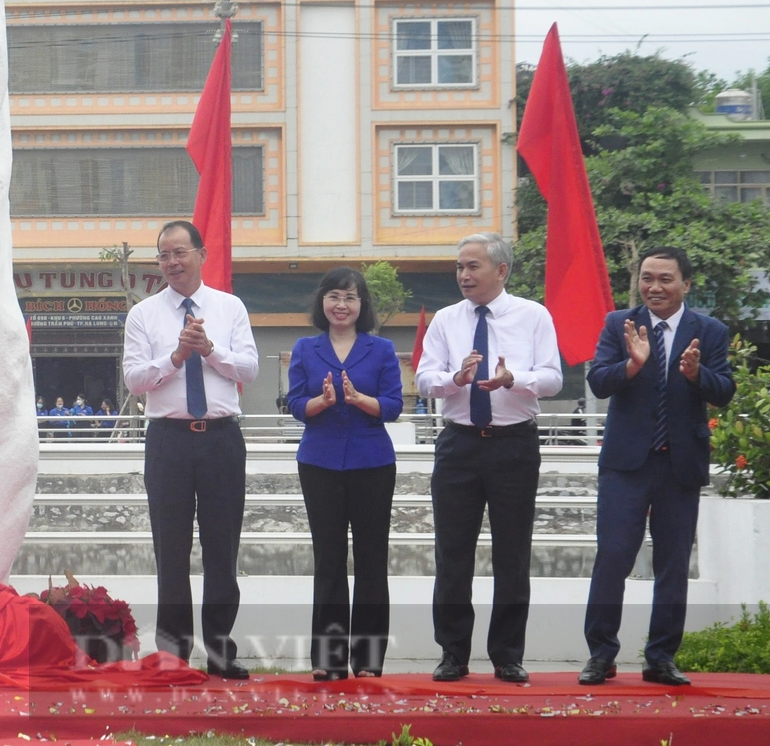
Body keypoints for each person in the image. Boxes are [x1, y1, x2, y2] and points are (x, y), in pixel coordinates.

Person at [581, 249, 734, 687]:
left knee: (672, 564)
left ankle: (661, 657)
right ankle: (601, 655)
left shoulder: (710, 330)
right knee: (612, 559)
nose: (654, 287)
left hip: (679, 463)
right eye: (647, 278)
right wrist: (632, 364)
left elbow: (724, 390)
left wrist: (695, 374)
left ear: (686, 283)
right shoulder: (620, 324)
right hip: (626, 464)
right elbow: (598, 380)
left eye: (665, 279)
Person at [414, 231, 562, 684]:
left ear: (500, 270)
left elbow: (554, 379)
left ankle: (507, 655)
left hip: (514, 444)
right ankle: (453, 653)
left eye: (473, 266)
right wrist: (455, 379)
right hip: (459, 444)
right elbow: (423, 378)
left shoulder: (533, 316)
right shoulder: (445, 319)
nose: (463, 275)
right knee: (452, 553)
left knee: (512, 554)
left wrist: (514, 379)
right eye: (459, 266)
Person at [121, 219, 260, 678]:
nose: (172, 262)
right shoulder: (143, 314)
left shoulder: (230, 307)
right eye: (163, 255)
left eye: (180, 252)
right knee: (171, 550)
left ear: (201, 254)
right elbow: (135, 379)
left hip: (221, 439)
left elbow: (250, 368)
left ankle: (221, 651)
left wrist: (209, 350)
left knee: (223, 548)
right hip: (168, 441)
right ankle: (173, 655)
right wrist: (176, 358)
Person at [284, 268, 403, 680]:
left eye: (350, 298)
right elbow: (296, 405)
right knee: (329, 560)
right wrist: (321, 401)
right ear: (322, 302)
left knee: (372, 560)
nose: (341, 305)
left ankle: (368, 661)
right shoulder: (305, 347)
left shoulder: (382, 349)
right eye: (334, 295)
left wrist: (359, 399)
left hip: (373, 462)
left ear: (361, 306)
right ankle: (329, 661)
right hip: (320, 462)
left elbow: (393, 405)